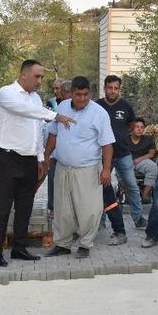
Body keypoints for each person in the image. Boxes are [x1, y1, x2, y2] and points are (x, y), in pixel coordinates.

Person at [0, 60, 74, 267]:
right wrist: (55, 115)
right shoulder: (6, 93)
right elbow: (25, 111)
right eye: (37, 76)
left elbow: (36, 130)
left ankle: (19, 248)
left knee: (25, 206)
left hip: (29, 160)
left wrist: (41, 158)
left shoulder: (35, 98)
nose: (40, 81)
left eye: (42, 77)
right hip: (6, 157)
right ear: (23, 74)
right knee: (3, 207)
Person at [43, 76, 114, 259]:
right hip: (63, 168)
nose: (82, 98)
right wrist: (46, 156)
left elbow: (107, 145)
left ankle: (85, 244)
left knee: (88, 210)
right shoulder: (62, 107)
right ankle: (63, 244)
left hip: (87, 169)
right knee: (62, 210)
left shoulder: (99, 113)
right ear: (70, 93)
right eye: (78, 94)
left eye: (86, 94)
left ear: (90, 93)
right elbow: (53, 134)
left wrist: (106, 170)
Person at [96, 75, 146, 229]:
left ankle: (138, 218)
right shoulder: (96, 106)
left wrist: (120, 135)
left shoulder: (126, 106)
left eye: (116, 88)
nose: (112, 91)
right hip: (103, 156)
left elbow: (131, 126)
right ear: (104, 88)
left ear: (119, 89)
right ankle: (100, 221)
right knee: (102, 187)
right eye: (109, 88)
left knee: (131, 186)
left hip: (123, 153)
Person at [47, 80, 72, 214]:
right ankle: (53, 208)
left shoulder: (83, 109)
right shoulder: (58, 106)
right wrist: (46, 155)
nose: (57, 94)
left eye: (61, 92)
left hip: (73, 158)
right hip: (55, 154)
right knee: (53, 181)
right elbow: (52, 132)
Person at [128, 118, 158, 204]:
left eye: (141, 127)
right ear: (132, 128)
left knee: (153, 167)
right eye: (137, 127)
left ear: (144, 129)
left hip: (141, 161)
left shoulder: (149, 139)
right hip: (127, 161)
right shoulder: (125, 139)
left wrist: (139, 159)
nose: (139, 129)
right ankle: (131, 195)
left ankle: (145, 194)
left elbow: (151, 154)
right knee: (121, 168)